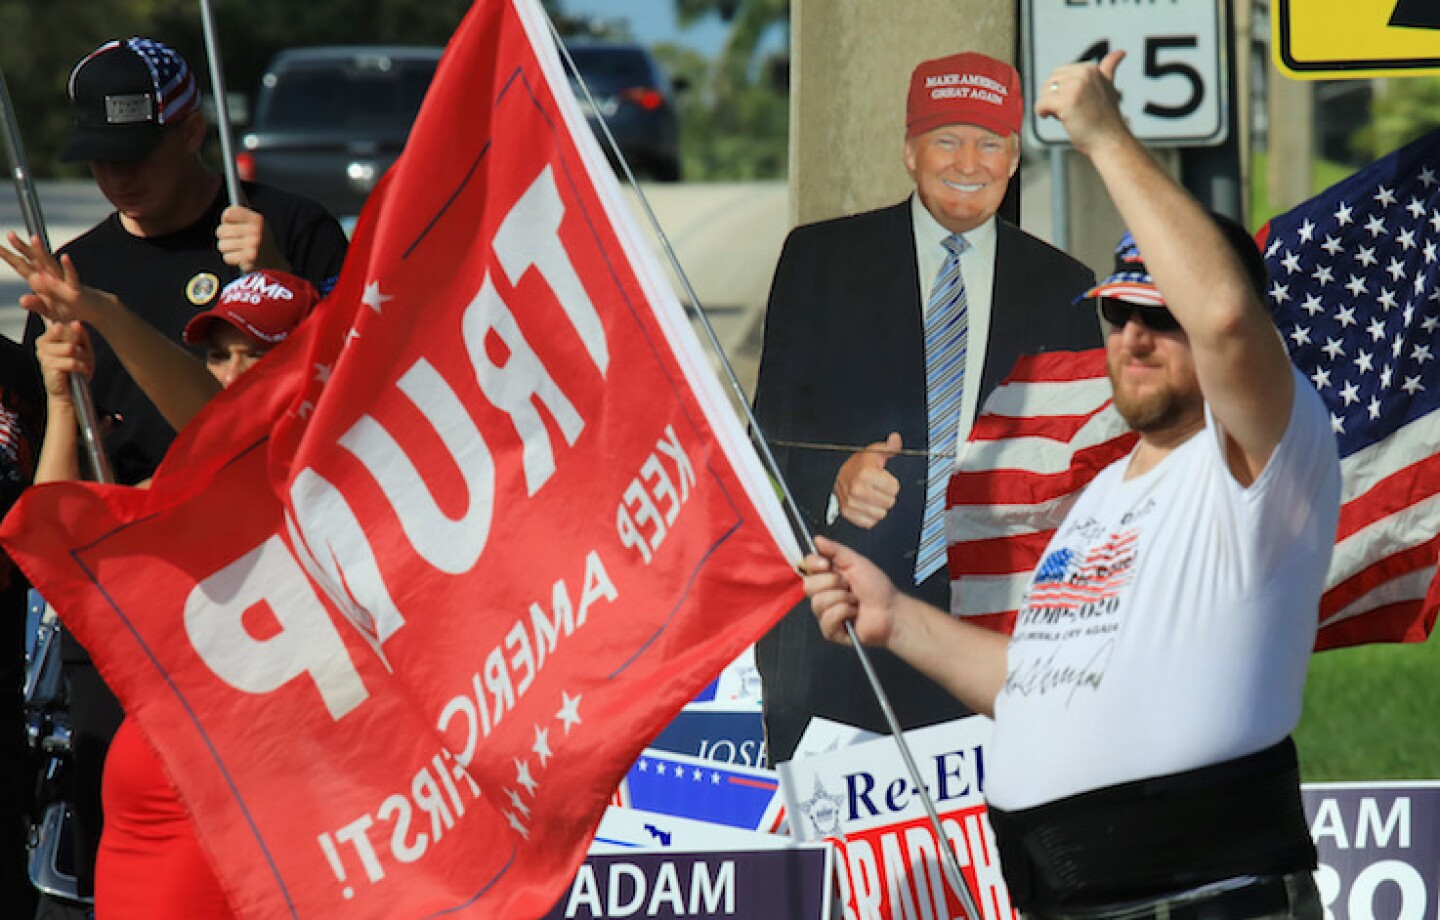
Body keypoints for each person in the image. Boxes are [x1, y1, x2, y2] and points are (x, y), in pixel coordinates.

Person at [802, 52, 1337, 918]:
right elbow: (1037, 683)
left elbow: (1231, 318)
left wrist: (1101, 135)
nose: (1132, 337)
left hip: (1205, 897)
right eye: (1117, 312)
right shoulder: (1106, 495)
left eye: (1163, 316)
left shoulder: (1261, 455)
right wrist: (896, 619)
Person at [14, 37, 348, 913]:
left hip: (273, 606)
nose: (117, 179)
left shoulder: (289, 229)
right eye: (99, 159)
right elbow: (50, 507)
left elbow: (340, 401)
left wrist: (279, 271)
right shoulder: (76, 273)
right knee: (119, 856)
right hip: (126, 619)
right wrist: (58, 390)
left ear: (193, 128)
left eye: (137, 155)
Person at [751, 51, 1100, 763]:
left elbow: (1081, 475)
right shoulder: (822, 260)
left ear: (1012, 159)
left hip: (994, 643)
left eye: (990, 142)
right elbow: (767, 442)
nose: (968, 161)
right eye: (947, 139)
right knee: (841, 871)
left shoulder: (1063, 288)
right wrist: (834, 480)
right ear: (910, 152)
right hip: (837, 642)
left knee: (986, 868)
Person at [18, 257, 321, 919]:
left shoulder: (312, 477)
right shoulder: (184, 487)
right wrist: (65, 402)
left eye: (256, 355)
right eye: (218, 355)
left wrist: (107, 312)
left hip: (241, 812)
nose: (233, 373)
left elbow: (231, 423)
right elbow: (61, 554)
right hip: (136, 803)